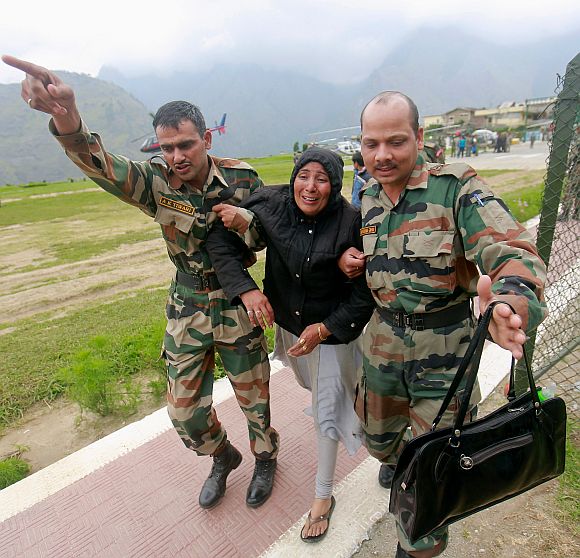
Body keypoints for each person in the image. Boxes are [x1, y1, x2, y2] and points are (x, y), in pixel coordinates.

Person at [2, 55, 280, 511]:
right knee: (184, 412)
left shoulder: (243, 177)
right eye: (167, 148)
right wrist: (67, 117)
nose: (176, 157)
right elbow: (100, 165)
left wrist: (244, 222)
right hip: (187, 304)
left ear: (206, 139)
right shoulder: (154, 182)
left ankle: (265, 458)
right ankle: (222, 455)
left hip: (235, 300)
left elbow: (265, 236)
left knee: (256, 395)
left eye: (186, 145)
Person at [339, 91, 547, 558]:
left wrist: (510, 304)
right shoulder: (368, 196)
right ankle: (399, 469)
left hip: (444, 349)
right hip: (382, 345)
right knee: (379, 441)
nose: (382, 155)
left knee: (436, 466)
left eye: (395, 141)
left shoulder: (455, 187)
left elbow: (515, 252)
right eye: (371, 144)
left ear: (418, 137)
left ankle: (418, 543)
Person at [205, 147, 374, 543]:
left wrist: (326, 328)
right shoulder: (270, 201)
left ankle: (322, 498)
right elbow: (218, 235)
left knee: (327, 408)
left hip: (333, 332)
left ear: (335, 185)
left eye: (322, 178)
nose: (310, 187)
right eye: (304, 175)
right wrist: (246, 290)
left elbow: (365, 292)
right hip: (290, 327)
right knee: (320, 391)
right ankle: (377, 426)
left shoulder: (352, 221)